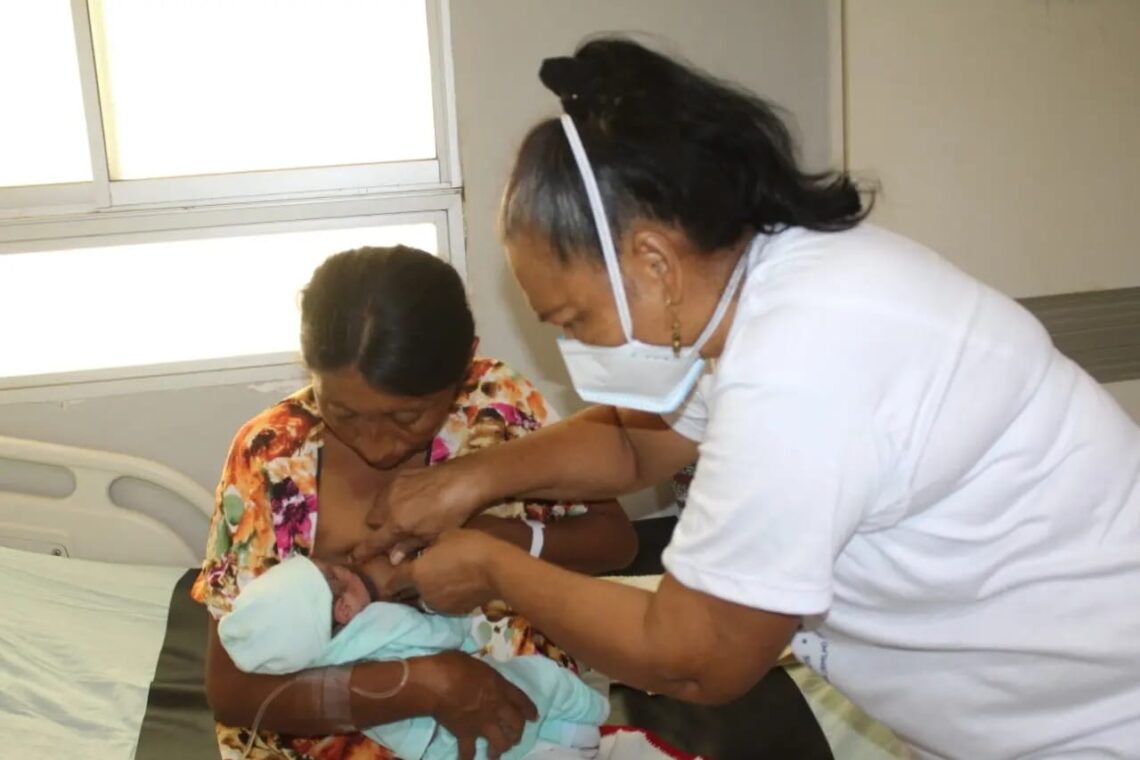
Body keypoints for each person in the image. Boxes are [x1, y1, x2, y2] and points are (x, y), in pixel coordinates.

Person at [354, 38, 1140, 759]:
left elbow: (695, 660)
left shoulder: (801, 363)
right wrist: (473, 478)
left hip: (1095, 719)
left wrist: (496, 569)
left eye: (574, 319)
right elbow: (636, 445)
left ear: (654, 260)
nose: (573, 346)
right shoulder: (767, 283)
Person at [192, 245, 636, 760]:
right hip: (334, 737)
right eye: (343, 412)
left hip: (517, 721)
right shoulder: (272, 457)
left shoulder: (497, 404)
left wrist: (500, 546)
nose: (378, 444)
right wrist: (424, 684)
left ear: (465, 364)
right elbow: (230, 692)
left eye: (407, 419)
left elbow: (617, 541)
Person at [218, 555, 609, 760]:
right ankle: (590, 719)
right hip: (487, 709)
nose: (348, 568)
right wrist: (453, 617)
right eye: (336, 571)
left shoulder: (321, 664)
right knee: (542, 681)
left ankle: (569, 742)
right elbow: (441, 634)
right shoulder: (381, 622)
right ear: (342, 609)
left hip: (440, 750)